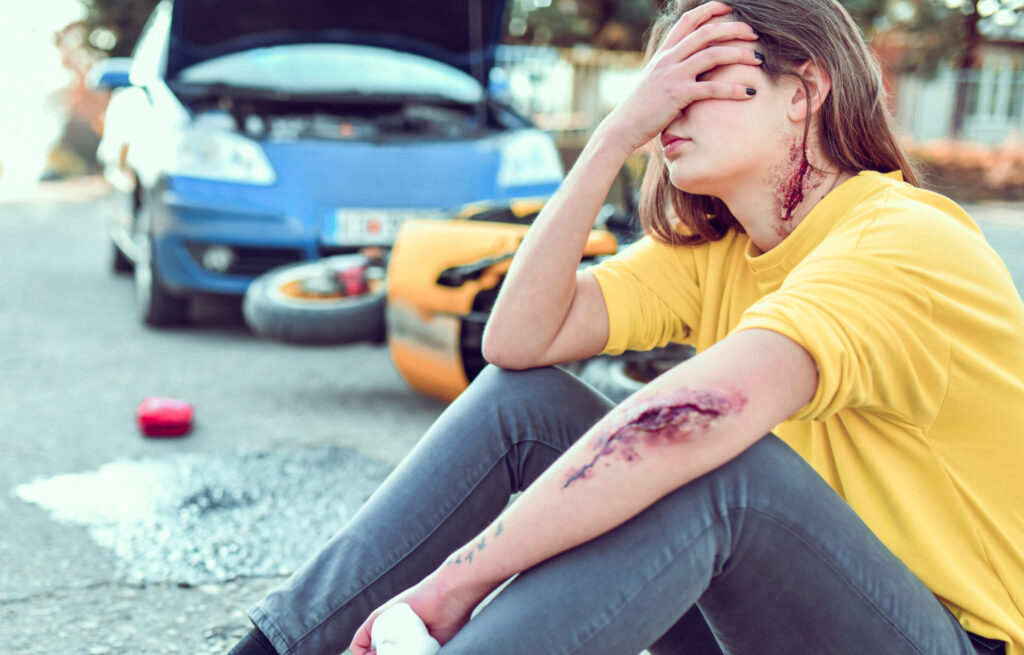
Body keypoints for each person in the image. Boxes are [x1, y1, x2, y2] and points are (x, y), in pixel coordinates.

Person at [228, 0, 1024, 653]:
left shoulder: (900, 239)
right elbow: (518, 343)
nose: (667, 106)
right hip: (763, 620)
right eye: (658, 84)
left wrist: (455, 582)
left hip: (942, 637)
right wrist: (611, 137)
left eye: (696, 77)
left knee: (715, 464)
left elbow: (695, 418)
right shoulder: (721, 253)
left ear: (803, 90)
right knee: (524, 403)